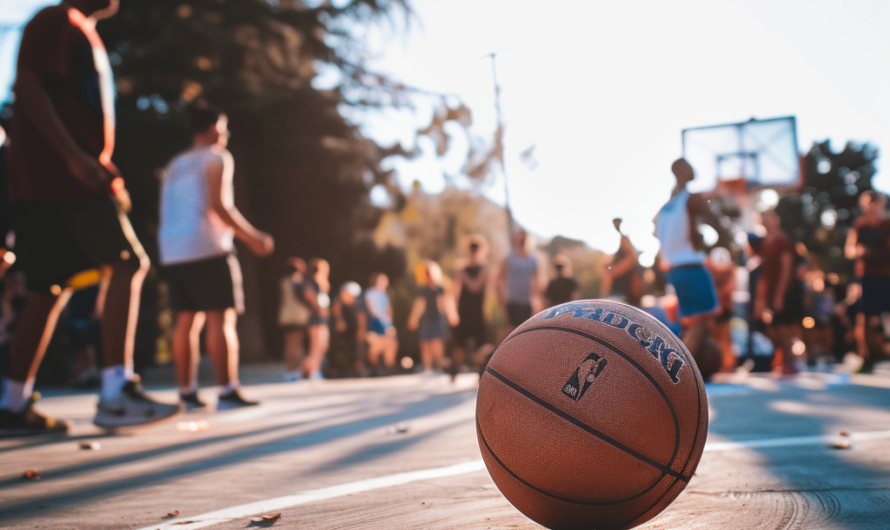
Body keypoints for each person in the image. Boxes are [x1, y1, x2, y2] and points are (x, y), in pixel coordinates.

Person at [0, 0, 180, 435]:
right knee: (128, 262)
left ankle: (12, 403)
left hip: (51, 182)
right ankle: (116, 394)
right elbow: (26, 86)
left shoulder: (80, 28)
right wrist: (77, 159)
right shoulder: (56, 19)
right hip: (66, 180)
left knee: (47, 288)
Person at [159, 101, 274, 411]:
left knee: (185, 321)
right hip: (207, 246)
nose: (227, 134)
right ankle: (227, 391)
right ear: (212, 129)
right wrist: (254, 238)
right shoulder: (216, 156)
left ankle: (186, 392)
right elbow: (219, 206)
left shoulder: (175, 164)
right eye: (223, 128)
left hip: (172, 249)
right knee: (221, 318)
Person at [654, 159, 729, 369]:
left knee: (691, 323)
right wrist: (714, 247)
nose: (694, 169)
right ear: (680, 171)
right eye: (688, 166)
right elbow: (718, 225)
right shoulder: (691, 199)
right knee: (700, 322)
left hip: (674, 270)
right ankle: (683, 372)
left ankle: (682, 368)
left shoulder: (666, 207)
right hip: (692, 267)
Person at [845, 190, 890, 374]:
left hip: (887, 276)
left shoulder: (887, 224)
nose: (872, 206)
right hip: (867, 278)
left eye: (875, 202)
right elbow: (850, 250)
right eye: (868, 203)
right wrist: (862, 252)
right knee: (863, 318)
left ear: (882, 203)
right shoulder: (860, 225)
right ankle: (866, 359)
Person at [754, 208, 802, 375]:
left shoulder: (782, 239)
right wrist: (762, 298)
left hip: (784, 290)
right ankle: (783, 360)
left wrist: (780, 295)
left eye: (769, 218)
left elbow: (787, 267)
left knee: (784, 327)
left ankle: (791, 363)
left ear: (776, 219)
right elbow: (764, 272)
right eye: (763, 218)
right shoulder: (765, 242)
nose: (766, 221)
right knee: (773, 327)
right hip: (771, 292)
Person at [451, 236, 493, 380]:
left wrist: (486, 311)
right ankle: (454, 371)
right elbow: (455, 292)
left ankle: (481, 373)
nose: (474, 252)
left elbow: (477, 288)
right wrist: (454, 312)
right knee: (459, 344)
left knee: (481, 345)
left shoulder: (483, 269)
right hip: (463, 311)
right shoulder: (461, 269)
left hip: (477, 312)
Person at [408, 261, 459, 375]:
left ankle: (439, 367)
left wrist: (452, 315)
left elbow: (447, 302)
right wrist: (414, 318)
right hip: (427, 319)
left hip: (438, 319)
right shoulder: (423, 290)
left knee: (437, 342)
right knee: (425, 343)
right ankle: (427, 368)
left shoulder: (441, 289)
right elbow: (419, 305)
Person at [497, 228, 542, 339]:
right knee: (511, 332)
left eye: (524, 237)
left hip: (527, 303)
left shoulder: (533, 261)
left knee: (526, 334)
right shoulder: (508, 259)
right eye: (519, 236)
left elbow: (536, 282)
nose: (522, 239)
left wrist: (539, 302)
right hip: (512, 301)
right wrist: (501, 298)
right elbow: (499, 279)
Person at [705, 247, 736, 372]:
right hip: (713, 308)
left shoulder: (730, 272)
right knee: (713, 336)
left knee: (724, 337)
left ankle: (726, 363)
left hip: (723, 308)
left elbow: (730, 289)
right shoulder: (708, 269)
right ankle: (716, 363)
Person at [278, 257, 310, 382]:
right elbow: (307, 297)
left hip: (285, 316)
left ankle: (290, 370)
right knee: (296, 344)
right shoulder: (298, 281)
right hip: (297, 316)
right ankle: (295, 371)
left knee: (289, 344)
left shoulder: (284, 281)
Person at [600, 218, 642, 306]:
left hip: (622, 294)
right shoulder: (617, 245)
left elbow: (632, 259)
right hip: (617, 293)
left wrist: (614, 271)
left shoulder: (624, 239)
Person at [301, 258, 331, 380]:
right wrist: (318, 308)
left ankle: (312, 369)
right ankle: (313, 371)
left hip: (322, 317)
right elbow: (309, 295)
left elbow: (325, 290)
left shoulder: (321, 280)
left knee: (323, 344)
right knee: (316, 345)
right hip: (315, 317)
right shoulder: (310, 281)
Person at [364, 272, 398, 374]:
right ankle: (374, 368)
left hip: (386, 324)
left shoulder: (384, 295)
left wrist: (390, 324)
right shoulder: (370, 293)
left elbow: (388, 310)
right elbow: (372, 310)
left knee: (391, 344)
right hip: (375, 324)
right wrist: (383, 322)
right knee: (375, 346)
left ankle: (389, 368)